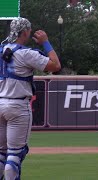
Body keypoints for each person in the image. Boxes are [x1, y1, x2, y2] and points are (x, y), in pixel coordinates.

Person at [0, 17, 61, 179]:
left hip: (0, 103)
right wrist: (45, 42)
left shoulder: (0, 50)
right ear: (26, 32)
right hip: (17, 105)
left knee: (1, 154)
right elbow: (56, 66)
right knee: (14, 155)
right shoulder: (25, 53)